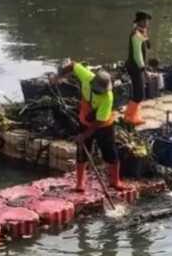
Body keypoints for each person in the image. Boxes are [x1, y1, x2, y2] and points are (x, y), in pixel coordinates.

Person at [53, 60, 126, 192]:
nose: (99, 93)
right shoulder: (87, 77)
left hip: (104, 126)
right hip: (85, 121)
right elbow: (73, 64)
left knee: (110, 153)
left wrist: (83, 135)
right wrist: (59, 76)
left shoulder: (108, 97)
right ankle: (80, 183)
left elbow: (99, 122)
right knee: (82, 153)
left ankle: (115, 181)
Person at [124, 11, 152, 126]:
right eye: (144, 21)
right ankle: (130, 117)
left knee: (137, 92)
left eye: (148, 21)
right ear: (139, 22)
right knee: (139, 94)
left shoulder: (141, 32)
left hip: (136, 65)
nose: (147, 23)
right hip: (135, 66)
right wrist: (143, 70)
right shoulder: (136, 34)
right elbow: (137, 54)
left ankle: (131, 115)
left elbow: (147, 46)